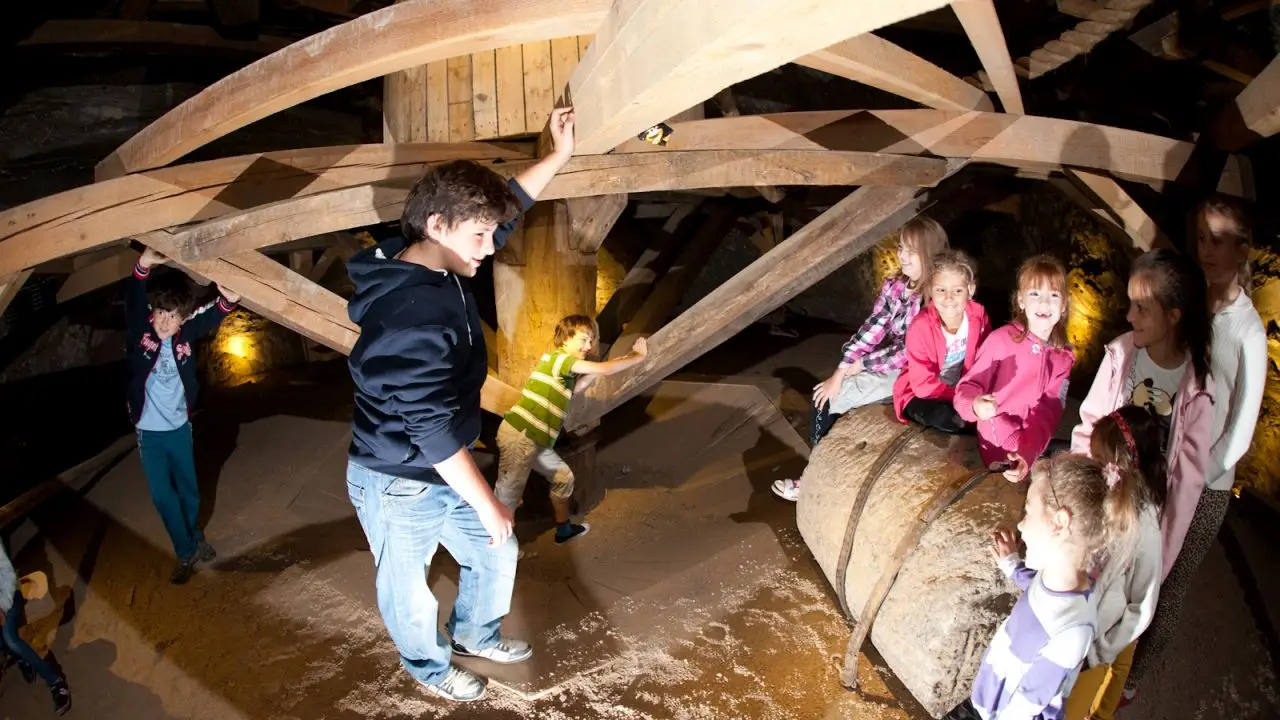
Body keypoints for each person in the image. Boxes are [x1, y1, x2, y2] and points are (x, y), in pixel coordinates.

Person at [344, 107, 576, 703]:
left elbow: (503, 214)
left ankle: (475, 631)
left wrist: (558, 156)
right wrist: (489, 501)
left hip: (439, 464)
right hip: (397, 474)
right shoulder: (410, 315)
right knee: (410, 589)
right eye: (478, 237)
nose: (490, 248)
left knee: (498, 552)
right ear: (439, 224)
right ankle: (427, 664)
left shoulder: (434, 252)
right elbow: (427, 427)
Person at [1067, 248, 1214, 704]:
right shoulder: (1121, 354)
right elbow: (1090, 423)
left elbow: (1188, 479)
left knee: (1124, 604)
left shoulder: (1198, 385)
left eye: (1141, 307)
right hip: (1105, 496)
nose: (1128, 315)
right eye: (1129, 303)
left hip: (1145, 513)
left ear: (1174, 315)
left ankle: (1100, 690)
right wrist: (1077, 490)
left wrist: (1163, 551)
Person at [945, 454, 1142, 720]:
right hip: (985, 703)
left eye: (1027, 511)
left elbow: (1024, 710)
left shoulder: (1072, 633)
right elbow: (1037, 592)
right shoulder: (1055, 579)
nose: (1021, 525)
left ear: (1060, 523)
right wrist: (1012, 565)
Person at [771, 216, 950, 501]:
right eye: (901, 247)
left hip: (915, 372)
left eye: (910, 251)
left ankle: (810, 481)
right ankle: (816, 475)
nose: (901, 255)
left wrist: (861, 366)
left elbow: (910, 351)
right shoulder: (895, 287)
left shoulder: (939, 297)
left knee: (830, 399)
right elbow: (872, 329)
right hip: (887, 364)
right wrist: (842, 370)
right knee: (825, 397)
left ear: (930, 254)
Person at [127, 249, 240, 585]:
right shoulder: (140, 333)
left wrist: (228, 301)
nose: (165, 321)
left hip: (179, 428)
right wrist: (143, 266)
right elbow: (133, 299)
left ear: (181, 320)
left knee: (189, 492)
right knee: (163, 496)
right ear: (154, 311)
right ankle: (185, 550)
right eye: (162, 312)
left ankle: (194, 539)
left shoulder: (184, 336)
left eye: (173, 316)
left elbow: (209, 317)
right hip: (150, 433)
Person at [495, 315, 647, 544]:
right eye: (584, 339)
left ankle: (563, 530)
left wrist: (603, 368)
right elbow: (604, 369)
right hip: (521, 434)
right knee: (507, 495)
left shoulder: (562, 371)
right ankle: (495, 551)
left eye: (591, 341)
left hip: (536, 440)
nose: (588, 347)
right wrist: (637, 357)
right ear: (566, 338)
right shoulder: (559, 359)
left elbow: (576, 387)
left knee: (563, 477)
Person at [1064, 407, 1166, 719]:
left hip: (1095, 648)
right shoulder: (1104, 497)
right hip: (1075, 633)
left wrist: (1103, 650)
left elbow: (1142, 604)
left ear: (1122, 462)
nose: (1092, 467)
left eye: (1097, 459)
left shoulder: (1144, 528)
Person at [954, 255, 1075, 482]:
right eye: (1035, 294)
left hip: (1031, 445)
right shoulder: (1001, 341)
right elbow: (968, 386)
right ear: (1021, 300)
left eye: (1054, 295)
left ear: (1064, 305)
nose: (1044, 303)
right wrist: (975, 405)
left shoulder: (1063, 358)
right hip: (997, 440)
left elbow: (1049, 412)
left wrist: (1029, 452)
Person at [893, 249, 991, 433]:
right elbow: (922, 386)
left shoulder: (979, 318)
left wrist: (975, 395)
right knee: (948, 418)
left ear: (970, 290)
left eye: (957, 290)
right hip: (922, 394)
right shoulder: (920, 328)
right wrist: (962, 397)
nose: (948, 298)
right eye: (941, 290)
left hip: (963, 390)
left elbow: (985, 362)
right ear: (930, 289)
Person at [0, 540, 71, 715]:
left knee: (11, 638)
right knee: (2, 642)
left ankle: (55, 681)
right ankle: (22, 659)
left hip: (7, 596)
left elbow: (8, 575)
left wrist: (2, 606)